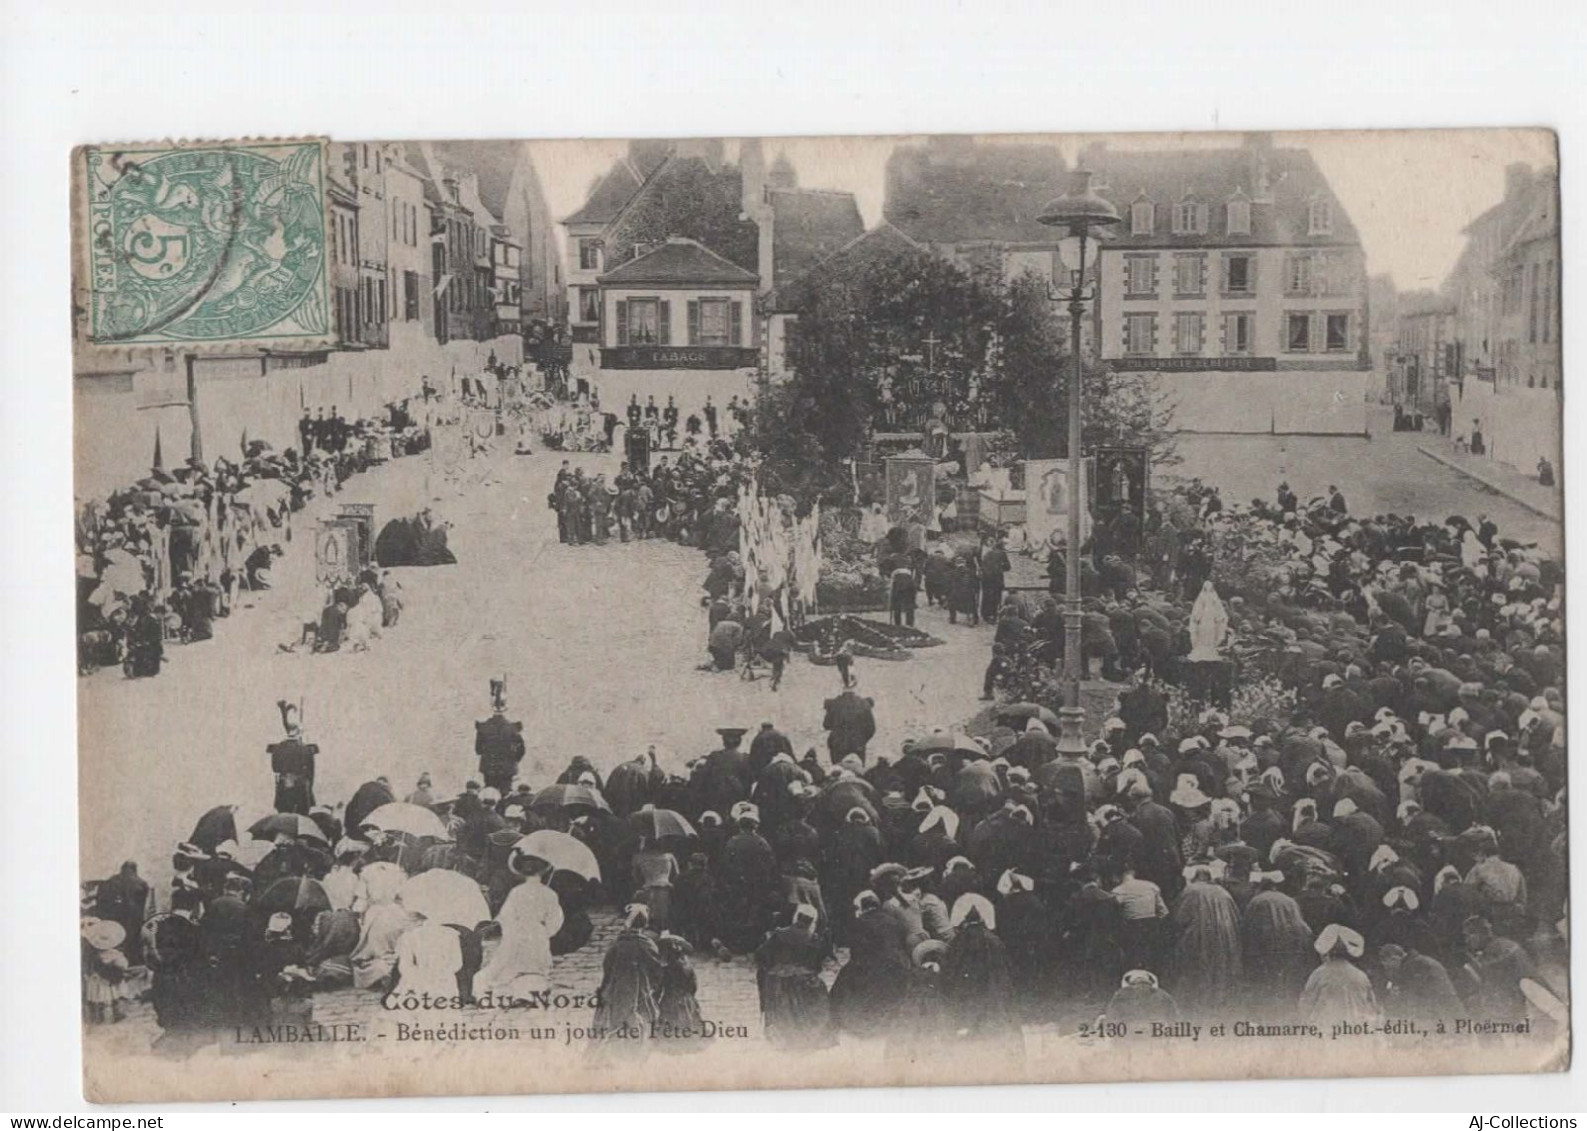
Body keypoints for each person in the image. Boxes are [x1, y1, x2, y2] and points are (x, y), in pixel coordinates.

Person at [476, 853, 563, 1003]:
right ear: (543, 872)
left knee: (517, 962)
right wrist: (545, 932)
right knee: (535, 964)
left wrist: (510, 931)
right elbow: (555, 919)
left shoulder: (516, 892)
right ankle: (532, 993)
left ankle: (518, 993)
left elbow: (506, 915)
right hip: (537, 932)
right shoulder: (549, 894)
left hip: (517, 931)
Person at [590, 904, 664, 1060]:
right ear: (644, 924)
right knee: (640, 1016)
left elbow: (607, 966)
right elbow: (656, 969)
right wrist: (653, 987)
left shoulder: (617, 944)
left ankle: (614, 1051)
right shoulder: (647, 944)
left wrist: (606, 986)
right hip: (640, 987)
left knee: (615, 1018)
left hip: (617, 987)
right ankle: (637, 1050)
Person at [756, 904, 834, 1048]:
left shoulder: (778, 934)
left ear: (796, 917)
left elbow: (761, 955)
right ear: (812, 922)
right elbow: (817, 965)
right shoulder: (814, 939)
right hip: (804, 983)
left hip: (778, 982)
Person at [1299, 923, 1382, 1027]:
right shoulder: (1360, 976)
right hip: (1355, 1030)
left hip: (1326, 1030)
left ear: (1326, 952)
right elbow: (1371, 1008)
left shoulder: (1319, 974)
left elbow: (1306, 1006)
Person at [475, 679, 526, 793]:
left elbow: (478, 750)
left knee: (489, 792)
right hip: (507, 768)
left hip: (489, 767)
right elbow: (521, 750)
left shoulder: (483, 727)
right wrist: (513, 759)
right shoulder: (513, 728)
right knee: (505, 793)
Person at [268, 700, 317, 815]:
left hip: (283, 786)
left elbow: (275, 768)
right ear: (299, 732)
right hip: (301, 788)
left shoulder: (278, 748)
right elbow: (311, 772)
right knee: (302, 816)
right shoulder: (306, 750)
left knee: (284, 816)